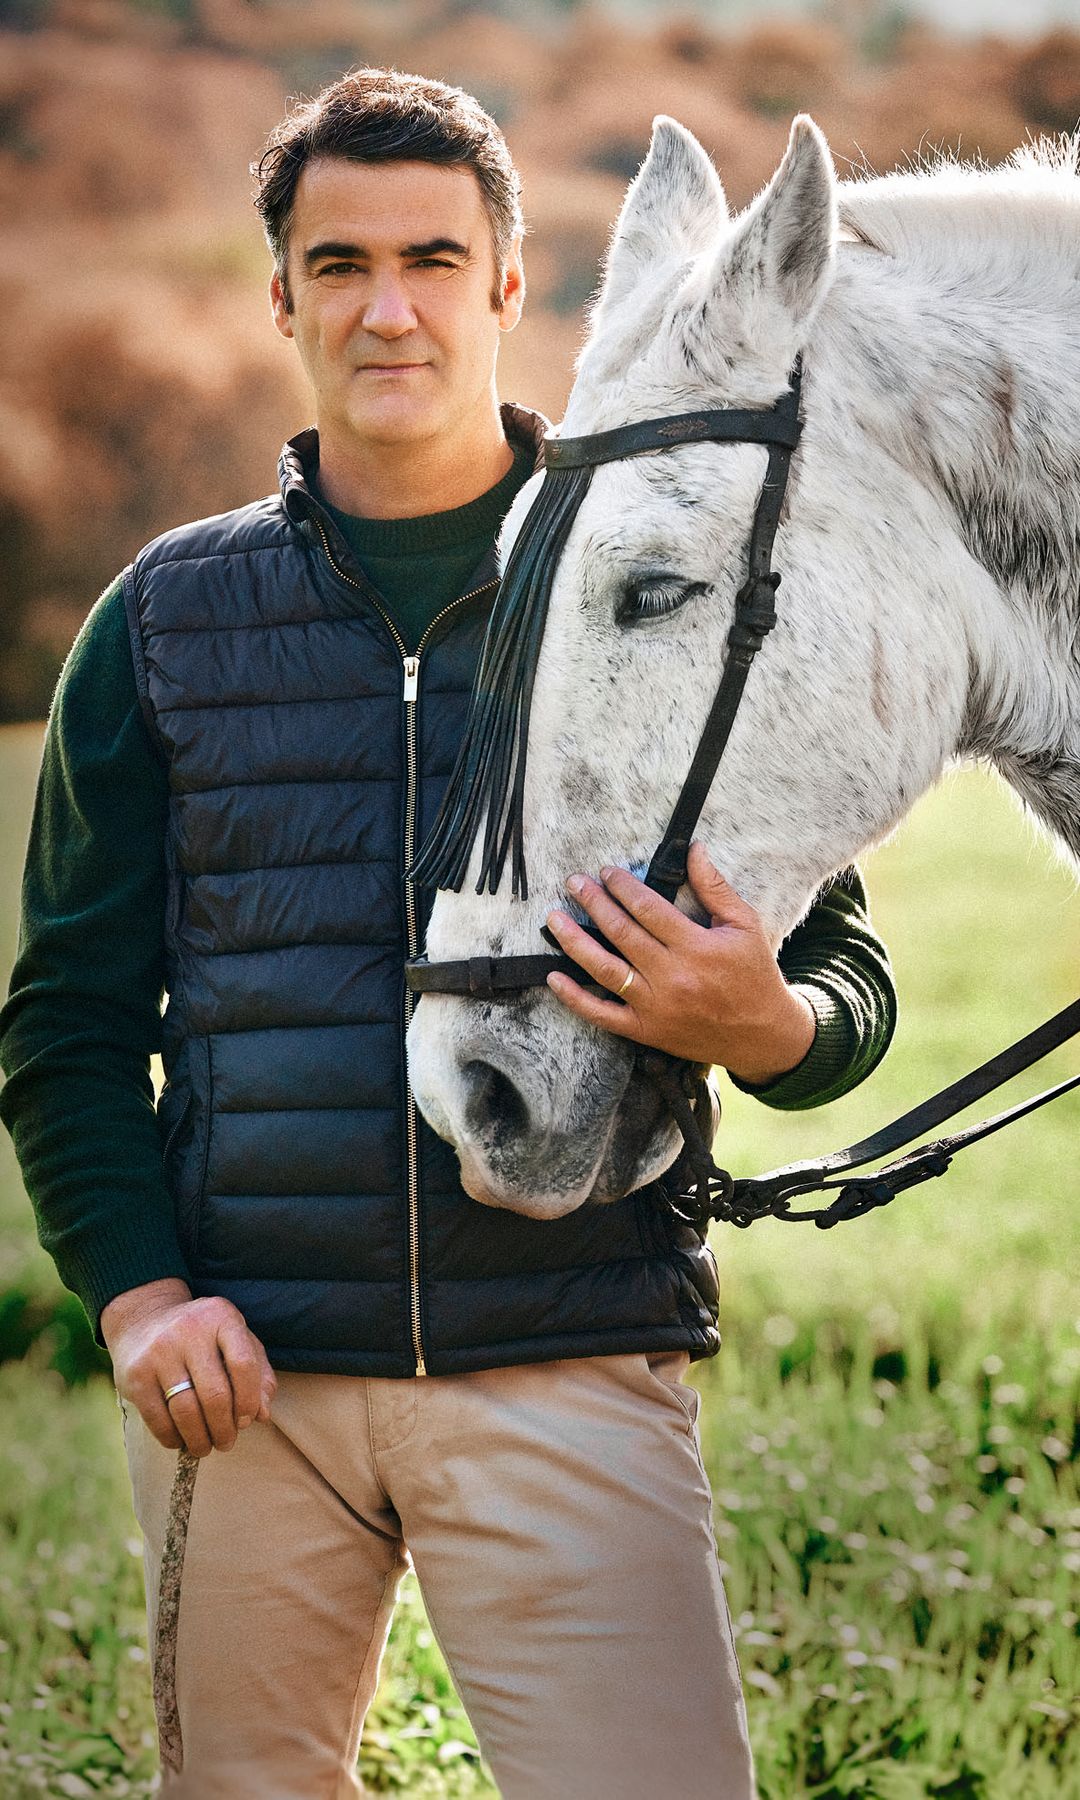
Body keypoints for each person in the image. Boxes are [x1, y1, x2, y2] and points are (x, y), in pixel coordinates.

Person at [0, 68, 896, 1800]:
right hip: (244, 1392)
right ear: (281, 296)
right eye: (339, 264)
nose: (387, 306)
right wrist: (138, 1300)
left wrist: (770, 1026)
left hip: (572, 1359)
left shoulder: (663, 566)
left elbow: (843, 972)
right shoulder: (165, 624)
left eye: (432, 257)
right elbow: (67, 1023)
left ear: (509, 284)